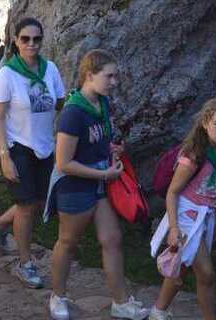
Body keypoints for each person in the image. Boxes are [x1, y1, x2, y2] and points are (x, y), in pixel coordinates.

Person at [47, 50, 149, 320]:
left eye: (115, 76)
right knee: (68, 241)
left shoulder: (101, 104)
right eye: (109, 76)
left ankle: (120, 302)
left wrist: (113, 148)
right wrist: (105, 176)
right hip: (76, 187)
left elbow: (99, 140)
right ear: (90, 75)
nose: (114, 82)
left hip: (100, 181)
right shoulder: (72, 113)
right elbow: (63, 163)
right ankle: (58, 295)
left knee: (112, 238)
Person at [0, 17, 65, 288]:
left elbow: (60, 102)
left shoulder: (50, 69)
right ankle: (25, 263)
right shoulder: (7, 75)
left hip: (45, 147)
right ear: (15, 41)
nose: (31, 44)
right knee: (27, 207)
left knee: (35, 203)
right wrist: (4, 157)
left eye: (36, 39)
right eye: (25, 39)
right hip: (18, 146)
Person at [149, 98, 216, 320]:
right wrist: (174, 229)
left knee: (182, 265)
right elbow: (173, 192)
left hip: (204, 215)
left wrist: (213, 221)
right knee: (206, 274)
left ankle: (158, 311)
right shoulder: (195, 154)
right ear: (206, 123)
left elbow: (215, 185)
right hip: (186, 215)